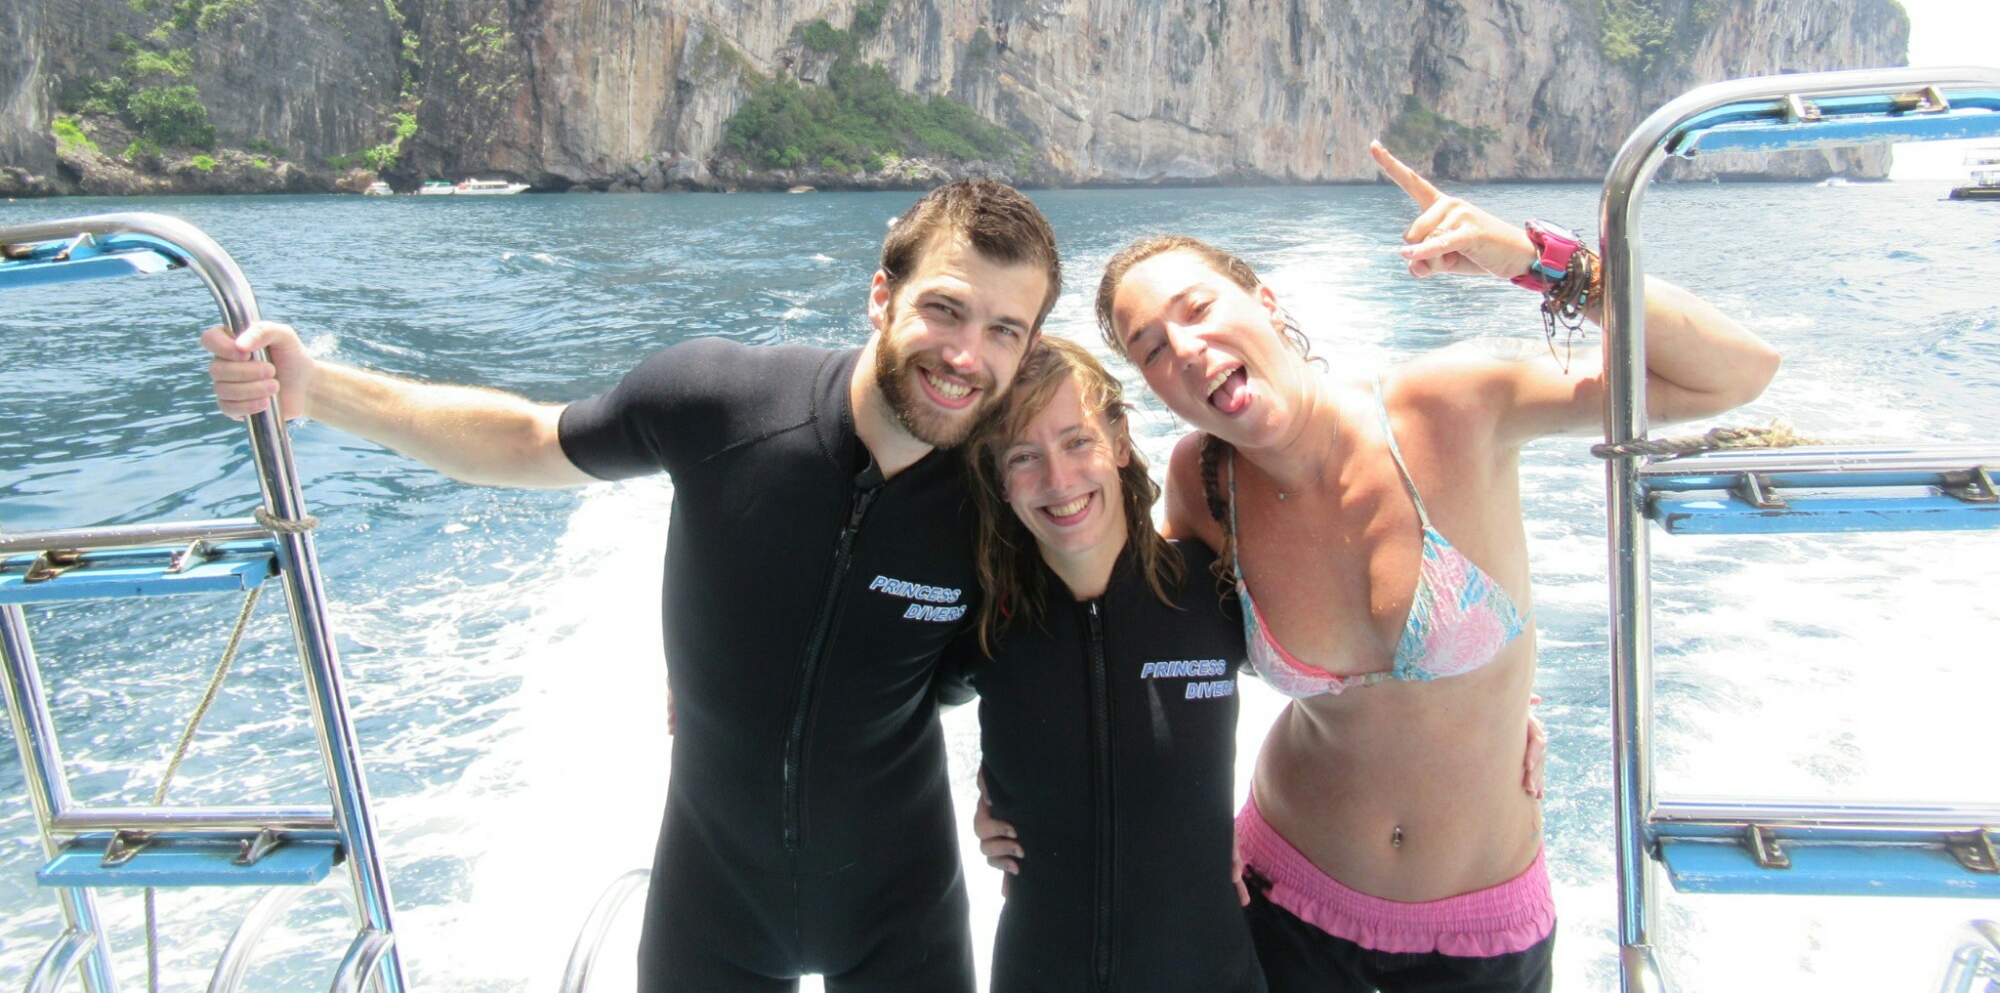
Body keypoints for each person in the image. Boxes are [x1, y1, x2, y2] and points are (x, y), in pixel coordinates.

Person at [203, 180, 1062, 993]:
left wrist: (1017, 781)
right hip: (713, 908)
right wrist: (315, 389)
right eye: (944, 309)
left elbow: (1034, 656)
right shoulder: (725, 404)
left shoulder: (1005, 500)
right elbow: (527, 439)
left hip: (901, 913)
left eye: (1004, 330)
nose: (965, 355)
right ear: (882, 297)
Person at [1083, 144, 1781, 993]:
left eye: (1199, 309)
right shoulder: (1203, 481)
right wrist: (1037, 792)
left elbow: (1734, 373)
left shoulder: (1449, 405)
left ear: (1265, 301)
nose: (1186, 349)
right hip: (1279, 896)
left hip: (1481, 934)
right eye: (1152, 349)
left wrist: (1533, 258)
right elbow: (1134, 649)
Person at [946, 335, 1266, 993]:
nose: (1059, 481)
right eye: (1023, 456)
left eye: (1078, 442)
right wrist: (992, 791)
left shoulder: (1213, 591)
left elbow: (1334, 693)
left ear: (1119, 442)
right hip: (1038, 975)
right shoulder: (983, 620)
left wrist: (1262, 825)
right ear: (997, 478)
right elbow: (881, 709)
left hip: (1210, 971)